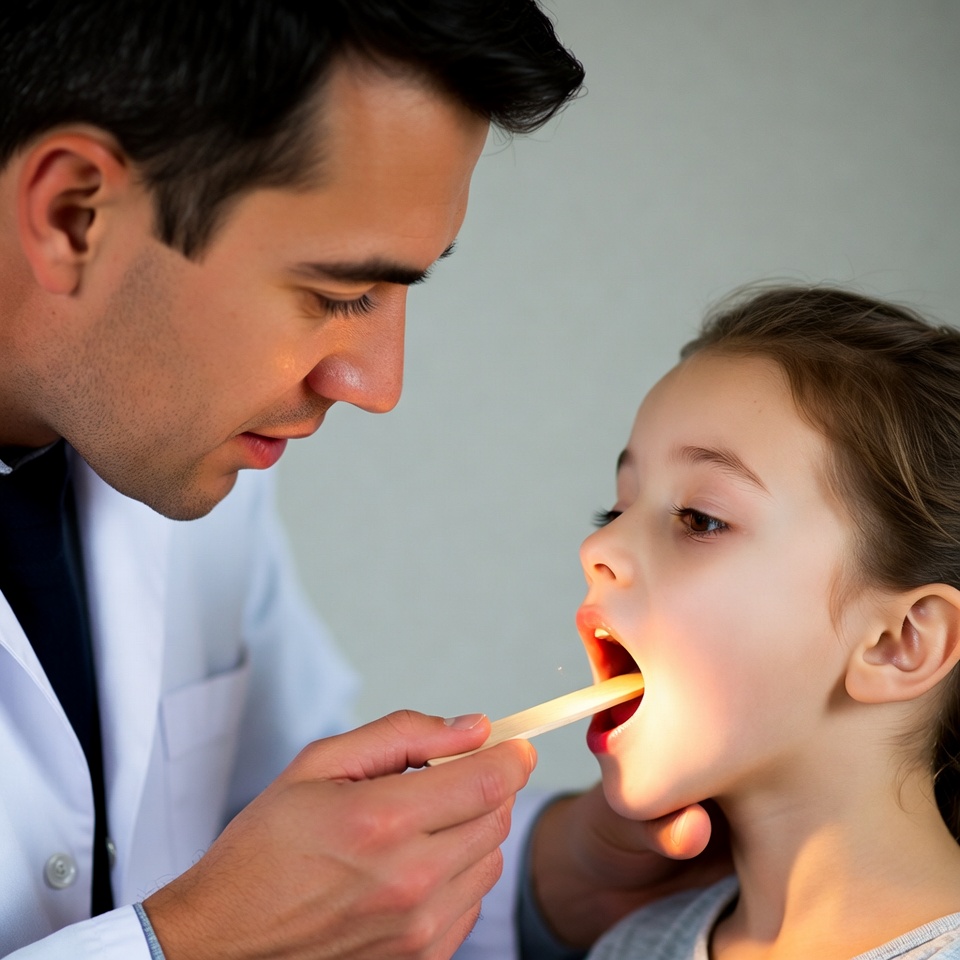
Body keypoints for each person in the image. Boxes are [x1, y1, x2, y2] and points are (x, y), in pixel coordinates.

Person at [0, 3, 728, 958]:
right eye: (339, 293)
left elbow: (278, 851)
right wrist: (190, 948)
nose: (376, 386)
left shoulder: (187, 462)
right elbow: (228, 918)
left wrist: (562, 882)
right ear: (73, 212)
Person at [579, 284, 960, 959]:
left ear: (900, 644)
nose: (598, 550)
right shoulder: (629, 947)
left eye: (700, 519)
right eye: (615, 512)